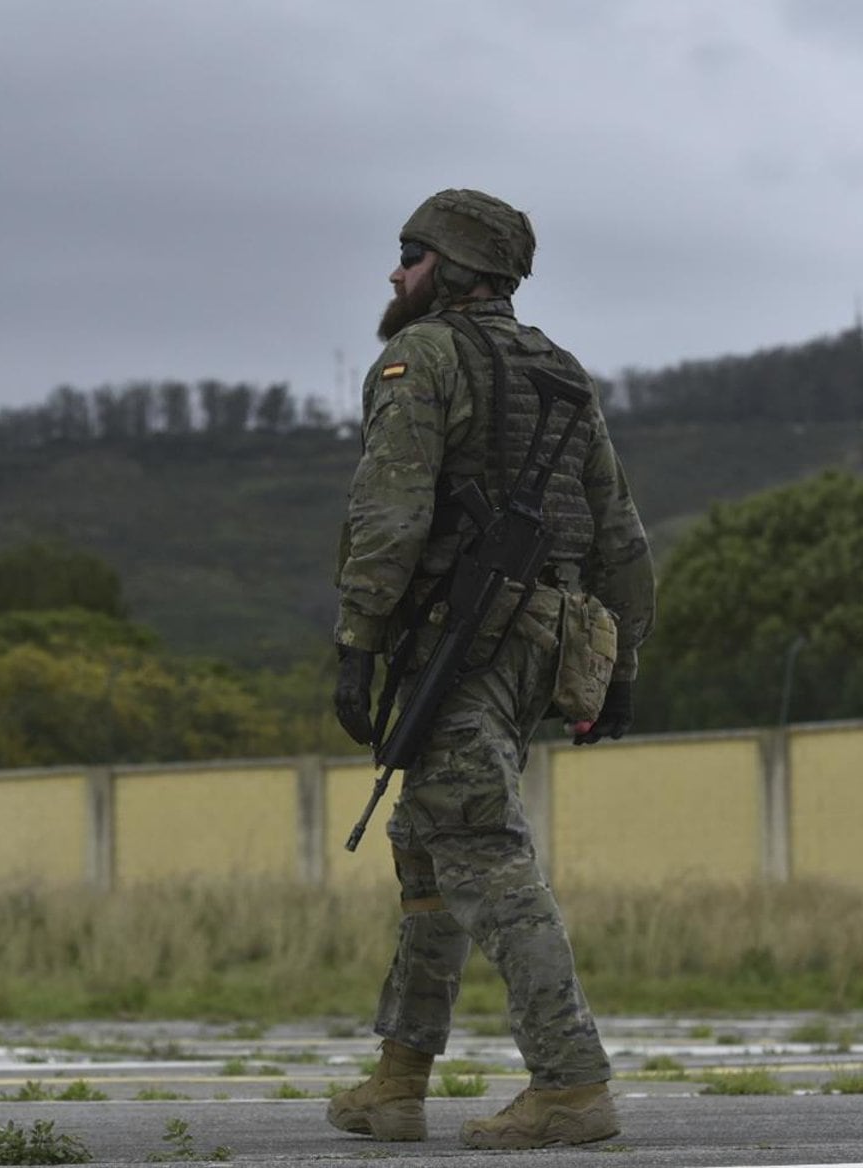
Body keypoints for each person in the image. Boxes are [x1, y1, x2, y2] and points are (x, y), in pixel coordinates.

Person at [324, 189, 656, 1150]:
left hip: (461, 644)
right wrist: (623, 664)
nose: (396, 272)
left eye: (412, 254)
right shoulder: (559, 368)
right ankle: (397, 1083)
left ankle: (571, 1084)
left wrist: (356, 642)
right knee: (431, 848)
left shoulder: (420, 358)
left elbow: (389, 514)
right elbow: (619, 530)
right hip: (546, 639)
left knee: (485, 855)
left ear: (457, 270)